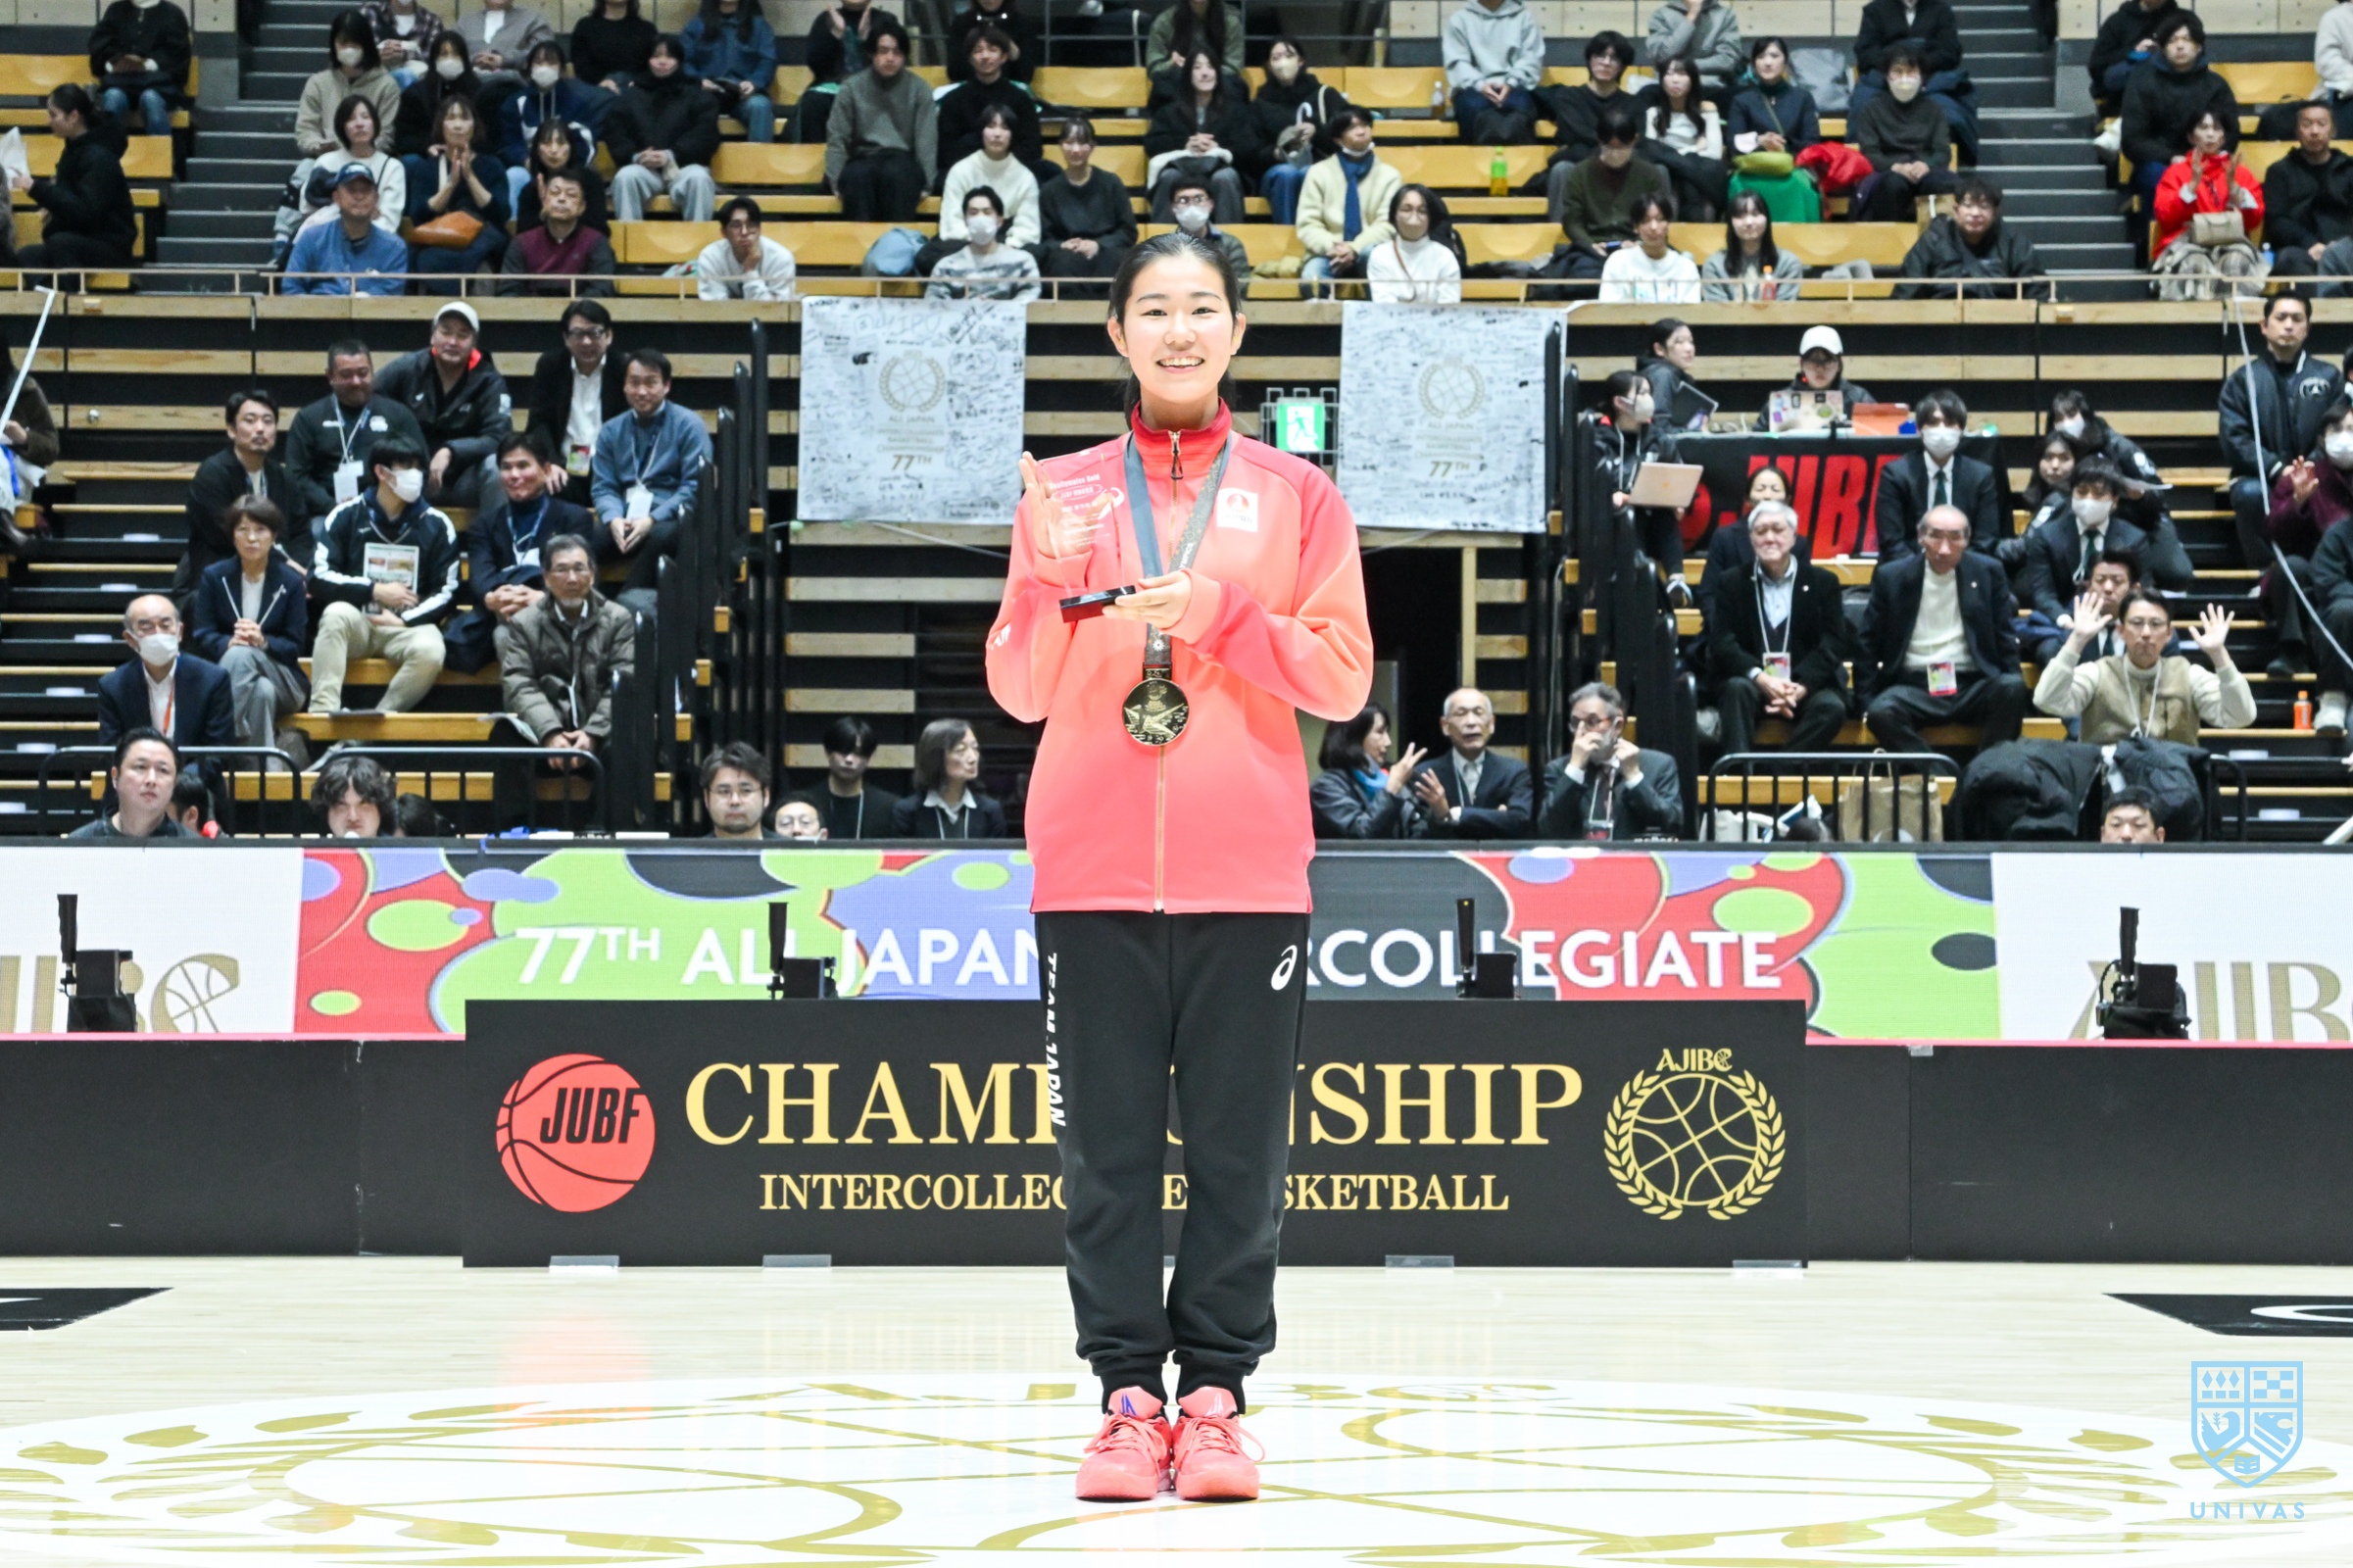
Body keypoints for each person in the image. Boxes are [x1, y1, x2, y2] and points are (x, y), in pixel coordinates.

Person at [986, 232, 1371, 1503]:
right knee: (1102, 1159)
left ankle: (1213, 1398)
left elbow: (1342, 677)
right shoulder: (1063, 493)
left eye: (1202, 307)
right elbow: (1020, 689)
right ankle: (1124, 1401)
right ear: (1117, 332)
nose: (1179, 329)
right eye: (1153, 308)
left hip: (1247, 875)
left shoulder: (1298, 496)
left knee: (1237, 1158)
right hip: (1090, 872)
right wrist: (1050, 578)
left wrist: (1214, 612)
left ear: (1236, 332)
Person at [1857, 505, 2029, 756]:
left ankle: (1984, 768)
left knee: (2012, 687)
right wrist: (1865, 700)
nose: (1944, 549)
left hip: (1971, 681)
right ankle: (1936, 770)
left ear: (1967, 540)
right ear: (1921, 537)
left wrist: (2015, 680)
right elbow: (1868, 642)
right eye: (1935, 536)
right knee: (1881, 712)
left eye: (1955, 538)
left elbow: (2004, 635)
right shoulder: (1892, 576)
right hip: (1915, 684)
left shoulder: (1988, 572)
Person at [307, 437, 460, 714]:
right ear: (381, 472)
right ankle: (322, 713)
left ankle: (378, 719)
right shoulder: (345, 516)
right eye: (407, 467)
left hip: (408, 626)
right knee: (334, 614)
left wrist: (405, 620)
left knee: (432, 650)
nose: (416, 475)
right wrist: (374, 590)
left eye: (419, 468)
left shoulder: (437, 524)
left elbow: (448, 592)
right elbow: (318, 577)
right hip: (359, 620)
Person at [1706, 501, 1850, 756]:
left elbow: (1834, 641)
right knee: (1735, 690)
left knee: (1831, 708)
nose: (1769, 538)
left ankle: (1781, 770)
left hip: (1804, 684)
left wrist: (1801, 686)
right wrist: (1761, 679)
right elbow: (1722, 641)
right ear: (1751, 539)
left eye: (1778, 530)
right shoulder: (1731, 582)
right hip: (1753, 682)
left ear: (1793, 537)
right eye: (1761, 531)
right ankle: (1741, 772)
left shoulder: (1823, 582)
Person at [445, 427, 592, 672]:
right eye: (506, 467)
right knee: (507, 633)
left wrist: (542, 599)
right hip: (502, 615)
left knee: (509, 635)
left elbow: (578, 576)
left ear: (546, 470)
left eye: (523, 466)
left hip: (558, 613)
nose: (514, 475)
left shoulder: (574, 518)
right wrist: (496, 598)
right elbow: (481, 578)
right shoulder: (484, 524)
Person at [2220, 291, 2345, 579]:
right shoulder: (2243, 380)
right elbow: (2234, 438)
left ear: (2307, 328)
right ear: (2264, 326)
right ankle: (2265, 572)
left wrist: (2309, 467)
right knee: (2249, 493)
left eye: (2297, 319)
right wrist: (2277, 469)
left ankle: (2326, 571)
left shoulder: (2329, 377)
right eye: (2281, 318)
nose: (2288, 325)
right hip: (2261, 477)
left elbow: (2338, 429)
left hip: (2317, 473)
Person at [2035, 587, 2252, 747]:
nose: (2146, 633)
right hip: (2109, 781)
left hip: (2172, 782)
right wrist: (2077, 640)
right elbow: (2047, 700)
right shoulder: (2098, 672)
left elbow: (2240, 716)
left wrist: (2219, 655)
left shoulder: (2188, 674)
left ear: (2169, 634)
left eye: (2156, 624)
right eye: (2137, 623)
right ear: (2121, 631)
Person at [187, 497, 311, 760]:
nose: (251, 538)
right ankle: (260, 773)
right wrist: (227, 642)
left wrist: (262, 641)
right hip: (241, 678)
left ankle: (217, 734)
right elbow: (202, 633)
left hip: (284, 679)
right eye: (243, 529)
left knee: (242, 655)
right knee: (261, 692)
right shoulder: (214, 576)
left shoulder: (290, 582)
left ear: (274, 536)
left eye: (260, 530)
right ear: (233, 535)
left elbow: (294, 645)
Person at [590, 348, 713, 608]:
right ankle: (579, 608)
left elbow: (694, 487)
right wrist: (613, 518)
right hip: (625, 517)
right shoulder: (611, 430)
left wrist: (653, 519)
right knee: (583, 541)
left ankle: (622, 608)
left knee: (663, 535)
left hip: (668, 518)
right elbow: (603, 486)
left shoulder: (689, 425)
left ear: (666, 386)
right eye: (634, 383)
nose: (642, 391)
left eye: (651, 383)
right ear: (624, 386)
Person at [497, 532, 633, 760]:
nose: (572, 578)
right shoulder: (525, 622)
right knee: (503, 735)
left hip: (600, 733)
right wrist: (550, 733)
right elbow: (519, 683)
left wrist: (592, 734)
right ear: (546, 578)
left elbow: (624, 680)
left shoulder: (618, 619)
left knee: (627, 740)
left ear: (592, 575)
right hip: (546, 733)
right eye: (561, 570)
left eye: (579, 569)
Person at [373, 301, 513, 509]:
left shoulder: (489, 381)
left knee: (496, 466)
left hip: (464, 479)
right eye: (446, 332)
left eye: (462, 335)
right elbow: (371, 401)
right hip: (411, 474)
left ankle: (492, 529)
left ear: (474, 342)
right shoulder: (407, 368)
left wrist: (451, 451)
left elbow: (499, 437)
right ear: (433, 336)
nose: (453, 342)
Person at [178, 389, 311, 602]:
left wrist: (299, 569)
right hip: (222, 575)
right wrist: (285, 566)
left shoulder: (282, 477)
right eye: (250, 421)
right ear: (232, 430)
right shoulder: (212, 474)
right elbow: (228, 536)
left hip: (278, 578)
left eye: (268, 421)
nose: (260, 428)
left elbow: (300, 533)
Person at [2047, 388, 2188, 583]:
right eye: (2059, 418)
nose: (2065, 423)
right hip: (2083, 516)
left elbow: (2157, 494)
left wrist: (2140, 496)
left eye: (2071, 415)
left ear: (2085, 415)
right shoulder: (2057, 449)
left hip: (2139, 515)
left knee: (2177, 574)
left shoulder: (2120, 447)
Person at [287, 341, 429, 525]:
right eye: (346, 375)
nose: (356, 382)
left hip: (387, 510)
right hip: (328, 512)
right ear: (330, 376)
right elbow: (296, 475)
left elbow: (421, 467)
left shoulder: (398, 415)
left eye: (363, 373)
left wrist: (386, 505)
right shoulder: (309, 418)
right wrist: (333, 507)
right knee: (317, 531)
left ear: (372, 371)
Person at [9, 85, 138, 281]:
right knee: (28, 255)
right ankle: (48, 297)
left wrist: (37, 189)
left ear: (73, 116)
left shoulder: (99, 157)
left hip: (109, 244)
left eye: (54, 115)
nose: (49, 120)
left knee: (60, 243)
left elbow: (86, 211)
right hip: (80, 239)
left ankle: (69, 299)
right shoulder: (73, 151)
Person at [2277, 402, 2353, 729]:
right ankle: (2330, 694)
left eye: (2352, 429)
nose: (2345, 437)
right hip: (2324, 580)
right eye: (2337, 429)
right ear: (2322, 438)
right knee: (2344, 610)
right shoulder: (2307, 474)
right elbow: (2274, 531)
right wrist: (2298, 501)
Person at [2019, 458, 2152, 634]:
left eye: (2098, 493)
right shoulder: (2046, 536)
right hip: (2061, 622)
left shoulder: (2134, 539)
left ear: (2114, 501)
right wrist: (2067, 623)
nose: (2089, 499)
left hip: (2116, 622)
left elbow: (2142, 589)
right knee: (2050, 647)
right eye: (2081, 492)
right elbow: (2043, 594)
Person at [1535, 680, 1684, 839]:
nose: (1581, 731)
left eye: (1592, 721)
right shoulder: (1560, 769)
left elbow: (1673, 824)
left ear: (1617, 726)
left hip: (1633, 854)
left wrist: (1634, 778)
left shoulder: (1658, 765)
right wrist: (1575, 770)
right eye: (1576, 723)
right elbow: (1547, 829)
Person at [271, 95, 405, 271]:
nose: (359, 124)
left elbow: (389, 222)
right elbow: (307, 207)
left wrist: (353, 223)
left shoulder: (392, 167)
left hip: (372, 249)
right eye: (351, 119)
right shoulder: (326, 161)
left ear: (375, 123)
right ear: (342, 126)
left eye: (365, 117)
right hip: (325, 247)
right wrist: (360, 214)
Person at [2119, 13, 2235, 214]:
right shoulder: (2142, 82)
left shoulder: (2216, 86)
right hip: (2159, 163)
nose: (2180, 46)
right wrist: (2172, 158)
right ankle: (2160, 233)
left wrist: (2200, 160)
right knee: (2157, 177)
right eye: (2173, 40)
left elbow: (2230, 133)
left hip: (2207, 161)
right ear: (2163, 47)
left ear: (2198, 46)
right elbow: (2133, 140)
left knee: (2233, 178)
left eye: (2187, 39)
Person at [824, 21, 935, 222]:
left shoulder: (919, 88)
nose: (890, 58)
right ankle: (860, 242)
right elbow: (837, 137)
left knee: (898, 175)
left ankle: (896, 241)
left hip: (902, 160)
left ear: (904, 56)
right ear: (871, 54)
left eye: (897, 52)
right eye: (883, 51)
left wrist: (927, 183)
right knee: (858, 177)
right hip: (863, 158)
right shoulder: (851, 88)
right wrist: (835, 180)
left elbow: (926, 139)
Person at [1872, 388, 2001, 560]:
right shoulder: (1895, 474)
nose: (1941, 430)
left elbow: (1985, 541)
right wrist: (1922, 571)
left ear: (1961, 431)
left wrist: (1954, 569)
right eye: (1933, 423)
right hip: (1908, 568)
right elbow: (1892, 542)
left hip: (1964, 568)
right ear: (1919, 430)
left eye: (1949, 423)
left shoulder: (1981, 476)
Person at [95, 595, 234, 753]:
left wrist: (178, 771)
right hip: (140, 768)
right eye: (146, 627)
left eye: (165, 625)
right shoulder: (113, 686)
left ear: (180, 632)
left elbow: (218, 751)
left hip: (195, 769)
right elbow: (113, 751)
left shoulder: (213, 680)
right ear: (130, 639)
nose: (158, 633)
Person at [1593, 367, 1688, 592]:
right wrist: (1613, 495)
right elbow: (1587, 487)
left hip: (1652, 518)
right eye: (1642, 393)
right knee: (1628, 514)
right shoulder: (1597, 440)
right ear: (1620, 402)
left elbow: (1678, 475)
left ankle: (1676, 580)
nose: (1649, 400)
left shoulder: (1660, 440)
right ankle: (1637, 570)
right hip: (1612, 524)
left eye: (1649, 393)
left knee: (1665, 514)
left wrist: (1677, 501)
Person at [607, 35, 719, 221]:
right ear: (647, 60)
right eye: (656, 56)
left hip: (684, 167)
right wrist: (636, 156)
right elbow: (616, 133)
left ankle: (699, 240)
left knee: (699, 179)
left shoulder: (698, 95)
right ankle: (629, 239)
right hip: (643, 167)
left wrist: (671, 154)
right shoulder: (629, 97)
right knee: (625, 177)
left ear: (679, 61)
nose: (662, 61)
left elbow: (705, 134)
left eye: (669, 56)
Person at [404, 92, 509, 289]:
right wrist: (450, 184)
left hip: (480, 245)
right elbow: (418, 216)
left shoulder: (492, 165)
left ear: (474, 125)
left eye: (464, 118)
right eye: (451, 118)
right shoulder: (427, 167)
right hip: (440, 242)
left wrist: (469, 176)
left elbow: (501, 215)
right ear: (441, 125)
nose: (458, 125)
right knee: (420, 257)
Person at [1551, 106, 1672, 271]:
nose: (1615, 154)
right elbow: (1572, 221)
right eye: (1609, 147)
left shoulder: (1649, 173)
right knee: (1583, 274)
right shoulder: (1579, 174)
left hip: (1638, 247)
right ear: (1599, 141)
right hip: (1593, 249)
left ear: (1634, 140)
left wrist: (1639, 242)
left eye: (1622, 147)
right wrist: (1590, 245)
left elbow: (1658, 219)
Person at [527, 298, 623, 505]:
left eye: (594, 333)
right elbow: (538, 424)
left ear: (609, 336)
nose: (586, 342)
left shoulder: (623, 369)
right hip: (564, 468)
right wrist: (550, 463)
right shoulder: (551, 366)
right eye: (578, 334)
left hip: (612, 469)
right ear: (566, 338)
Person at [1146, 51, 1256, 223]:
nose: (1205, 73)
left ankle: (1228, 238)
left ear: (1218, 74)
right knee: (1169, 176)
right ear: (1187, 75)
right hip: (1181, 169)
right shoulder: (1169, 110)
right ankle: (1162, 238)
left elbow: (1249, 148)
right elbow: (1153, 144)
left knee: (1225, 177)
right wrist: (1185, 145)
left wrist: (1218, 148)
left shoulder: (1236, 110)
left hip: (1219, 170)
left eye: (1210, 67)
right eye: (1197, 67)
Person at [1406, 687, 1533, 837]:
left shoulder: (1514, 772)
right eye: (1461, 714)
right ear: (1445, 726)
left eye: (1478, 713)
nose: (1471, 722)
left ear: (1491, 723)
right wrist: (1440, 818)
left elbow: (1520, 821)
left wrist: (1454, 815)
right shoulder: (1426, 775)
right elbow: (1416, 835)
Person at [1249, 36, 1349, 221]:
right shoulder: (1260, 104)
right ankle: (1286, 233)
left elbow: (1346, 135)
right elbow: (1250, 151)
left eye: (1289, 56)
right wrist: (1276, 153)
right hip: (1276, 172)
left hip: (1319, 165)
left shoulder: (1325, 95)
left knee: (1309, 173)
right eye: (1276, 57)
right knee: (1286, 173)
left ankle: (1314, 231)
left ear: (1300, 60)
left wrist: (1317, 133)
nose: (1283, 62)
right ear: (1269, 65)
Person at [1894, 176, 2045, 300]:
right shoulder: (1934, 239)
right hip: (1942, 320)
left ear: (1995, 212)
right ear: (1956, 210)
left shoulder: (2013, 242)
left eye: (1984, 206)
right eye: (1968, 205)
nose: (1975, 213)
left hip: (2000, 321)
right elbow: (1908, 290)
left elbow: (2037, 293)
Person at [1297, 110, 1398, 288]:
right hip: (1329, 252)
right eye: (1352, 128)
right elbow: (1308, 223)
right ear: (1338, 139)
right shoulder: (1318, 173)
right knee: (1311, 278)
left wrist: (1355, 248)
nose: (1361, 131)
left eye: (1365, 125)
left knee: (1376, 262)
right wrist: (1334, 247)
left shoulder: (1390, 175)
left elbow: (1388, 224)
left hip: (1371, 250)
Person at [1696, 464, 1813, 619]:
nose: (1767, 496)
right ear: (1747, 499)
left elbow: (1804, 595)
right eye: (1760, 489)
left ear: (1787, 499)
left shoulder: (1798, 543)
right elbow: (1708, 593)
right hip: (1730, 624)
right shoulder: (1725, 537)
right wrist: (1721, 630)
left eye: (1775, 489)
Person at [500, 44, 608, 213]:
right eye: (538, 62)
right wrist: (526, 160)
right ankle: (514, 226)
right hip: (529, 167)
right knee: (514, 175)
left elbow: (586, 143)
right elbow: (509, 142)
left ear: (562, 69)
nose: (544, 67)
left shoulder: (577, 104)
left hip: (568, 166)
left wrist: (565, 164)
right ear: (529, 68)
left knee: (589, 176)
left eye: (551, 63)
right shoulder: (515, 103)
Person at [1724, 37, 1822, 221]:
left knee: (1800, 184)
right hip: (1753, 168)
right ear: (1753, 64)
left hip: (1793, 168)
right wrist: (1760, 141)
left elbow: (1812, 142)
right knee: (1737, 183)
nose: (1767, 62)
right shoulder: (1742, 100)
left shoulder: (1802, 98)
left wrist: (1784, 145)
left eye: (1774, 56)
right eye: (1761, 57)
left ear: (1785, 62)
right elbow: (1733, 142)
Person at [1852, 44, 1954, 222]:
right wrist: (1896, 167)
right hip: (1889, 171)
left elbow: (1942, 151)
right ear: (1887, 76)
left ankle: (1937, 236)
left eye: (1911, 72)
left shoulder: (1935, 109)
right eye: (1898, 72)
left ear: (1922, 76)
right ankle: (1891, 238)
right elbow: (1870, 152)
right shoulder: (1871, 109)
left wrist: (1927, 165)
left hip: (1926, 170)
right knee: (1893, 185)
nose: (1904, 78)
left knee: (1944, 183)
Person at [282, 163, 411, 293]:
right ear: (336, 198)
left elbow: (391, 295)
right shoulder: (311, 238)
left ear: (376, 199)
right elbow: (291, 287)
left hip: (371, 307)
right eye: (351, 190)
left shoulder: (394, 247)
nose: (359, 196)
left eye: (365, 190)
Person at [939, 103, 1043, 262]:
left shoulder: (1025, 178)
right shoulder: (960, 171)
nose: (997, 134)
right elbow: (952, 224)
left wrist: (1002, 249)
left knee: (1036, 254)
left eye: (1005, 128)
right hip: (966, 244)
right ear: (981, 131)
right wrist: (979, 246)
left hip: (1008, 246)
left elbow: (1028, 230)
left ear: (1012, 134)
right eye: (991, 126)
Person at [2265, 103, 2353, 289]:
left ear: (2333, 131)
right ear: (2297, 131)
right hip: (2302, 250)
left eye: (2321, 124)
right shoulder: (2280, 171)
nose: (2314, 131)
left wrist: (2338, 248)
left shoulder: (2349, 169)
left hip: (2345, 248)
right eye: (2307, 124)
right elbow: (2277, 220)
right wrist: (2310, 244)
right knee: (2289, 259)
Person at [1041, 118, 1136, 282]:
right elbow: (1045, 238)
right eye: (1069, 142)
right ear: (1061, 145)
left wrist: (1098, 244)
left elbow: (1128, 231)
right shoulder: (1049, 190)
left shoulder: (1111, 183)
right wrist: (1063, 245)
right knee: (1059, 266)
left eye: (1082, 143)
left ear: (1092, 146)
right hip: (1067, 254)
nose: (1076, 149)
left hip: (1106, 251)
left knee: (1120, 263)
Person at [938, 26, 1044, 174]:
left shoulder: (1020, 98)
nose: (985, 56)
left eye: (992, 50)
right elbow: (946, 150)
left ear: (1004, 57)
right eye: (978, 50)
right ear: (970, 58)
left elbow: (1032, 148)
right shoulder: (953, 100)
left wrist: (1000, 165)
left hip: (1011, 173)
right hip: (967, 174)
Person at [1309, 702, 1423, 838]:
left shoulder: (1388, 777)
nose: (1388, 742)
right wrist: (1392, 789)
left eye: (1387, 732)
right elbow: (1361, 833)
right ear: (1355, 736)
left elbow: (1416, 837)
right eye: (1380, 732)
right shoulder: (1326, 787)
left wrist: (1440, 816)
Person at [794, 0, 899, 145]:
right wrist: (835, 34)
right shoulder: (826, 19)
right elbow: (817, 66)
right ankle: (817, 156)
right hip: (833, 88)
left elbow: (893, 65)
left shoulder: (886, 21)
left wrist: (867, 40)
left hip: (874, 87)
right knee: (813, 102)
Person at [496, 167, 614, 295]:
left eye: (571, 194)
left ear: (582, 207)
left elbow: (600, 289)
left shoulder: (596, 241)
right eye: (555, 192)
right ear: (544, 201)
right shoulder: (522, 242)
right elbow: (509, 291)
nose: (561, 199)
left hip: (580, 306)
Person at [297, 14, 403, 158]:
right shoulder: (317, 83)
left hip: (371, 158)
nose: (349, 48)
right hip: (326, 158)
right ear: (333, 44)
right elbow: (306, 129)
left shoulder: (386, 85)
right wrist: (320, 146)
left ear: (366, 44)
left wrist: (358, 150)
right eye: (343, 43)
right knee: (304, 169)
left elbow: (386, 134)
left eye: (355, 43)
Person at [2022, 545, 2141, 665]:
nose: (2108, 588)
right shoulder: (2072, 631)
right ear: (2088, 587)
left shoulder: (2146, 630)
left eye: (2117, 581)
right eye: (2100, 580)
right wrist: (2077, 639)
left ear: (2135, 589)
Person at [1445, 0, 1545, 141]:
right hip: (1472, 88)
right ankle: (1477, 155)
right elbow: (1458, 62)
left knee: (1521, 105)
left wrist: (1511, 83)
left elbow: (1531, 58)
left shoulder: (1524, 18)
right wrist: (1480, 85)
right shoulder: (1460, 20)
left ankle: (1519, 155)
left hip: (1514, 86)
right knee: (1474, 106)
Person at [1640, 55, 1726, 221]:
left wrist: (1677, 155)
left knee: (1707, 170)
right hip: (1670, 172)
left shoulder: (1707, 110)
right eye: (1669, 74)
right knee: (1663, 170)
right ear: (1661, 80)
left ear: (1693, 79)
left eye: (1682, 74)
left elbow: (1714, 153)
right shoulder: (1654, 113)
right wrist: (1695, 148)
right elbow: (1651, 150)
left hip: (1698, 171)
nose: (1675, 80)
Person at [89, 0, 191, 138]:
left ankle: (159, 150)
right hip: (121, 81)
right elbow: (101, 46)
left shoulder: (172, 13)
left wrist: (146, 64)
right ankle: (109, 149)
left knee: (151, 100)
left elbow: (178, 54)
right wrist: (116, 62)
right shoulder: (116, 11)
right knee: (113, 98)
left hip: (159, 86)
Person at [888, 717, 1006, 836]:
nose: (973, 758)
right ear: (936, 757)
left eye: (975, 748)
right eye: (961, 749)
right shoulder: (908, 812)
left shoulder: (990, 811)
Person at [680, 0, 778, 144]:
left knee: (760, 106)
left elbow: (768, 60)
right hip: (707, 93)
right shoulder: (695, 26)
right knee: (687, 105)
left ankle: (759, 158)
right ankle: (691, 157)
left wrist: (754, 82)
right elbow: (684, 61)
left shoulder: (759, 26)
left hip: (744, 95)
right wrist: (699, 81)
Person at [67, 729, 190, 840]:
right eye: (140, 767)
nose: (151, 780)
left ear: (174, 783)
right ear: (115, 777)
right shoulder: (79, 845)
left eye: (163, 770)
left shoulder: (193, 848)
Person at [1544, 30, 1642, 168]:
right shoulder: (1569, 97)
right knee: (1562, 167)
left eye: (1614, 58)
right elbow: (1579, 134)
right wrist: (1616, 147)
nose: (1606, 63)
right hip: (1577, 166)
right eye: (1600, 55)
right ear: (1589, 59)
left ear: (1622, 66)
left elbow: (1635, 141)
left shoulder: (1632, 103)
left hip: (1621, 168)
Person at [927, 184, 1043, 300]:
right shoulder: (946, 267)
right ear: (965, 221)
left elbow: (1030, 299)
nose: (980, 217)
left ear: (999, 221)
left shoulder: (1022, 262)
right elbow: (935, 305)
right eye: (973, 212)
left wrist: (995, 308)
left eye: (987, 212)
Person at [1753, 323, 1875, 431]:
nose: (1820, 369)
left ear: (1839, 364)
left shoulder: (1859, 400)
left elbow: (1877, 439)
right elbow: (1757, 443)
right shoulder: (1780, 404)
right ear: (1801, 364)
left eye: (1827, 361)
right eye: (1813, 361)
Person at [1364, 184, 1464, 304]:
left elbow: (1449, 306)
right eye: (1407, 209)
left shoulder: (1445, 256)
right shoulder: (1380, 255)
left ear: (1430, 218)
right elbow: (1385, 306)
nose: (1414, 216)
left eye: (1422, 211)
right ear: (1394, 215)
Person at [1851, 0, 1961, 106]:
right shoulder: (1874, 10)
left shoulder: (1941, 10)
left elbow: (1951, 52)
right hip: (1884, 79)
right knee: (1863, 103)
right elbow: (1865, 52)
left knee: (1950, 107)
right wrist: (1894, 65)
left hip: (1930, 80)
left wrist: (1920, 64)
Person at [512, 116, 610, 233]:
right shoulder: (531, 190)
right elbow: (522, 237)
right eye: (546, 143)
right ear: (537, 149)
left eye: (561, 143)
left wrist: (570, 212)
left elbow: (601, 231)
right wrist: (544, 213)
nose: (554, 150)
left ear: (571, 147)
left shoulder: (590, 181)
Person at [1701, 188, 1803, 300]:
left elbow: (1784, 308)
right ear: (1730, 222)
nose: (1748, 222)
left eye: (1755, 214)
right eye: (1740, 216)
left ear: (1767, 219)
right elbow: (1717, 309)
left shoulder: (1788, 263)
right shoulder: (1715, 265)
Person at [1599, 192, 1701, 302]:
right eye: (1645, 221)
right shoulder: (1618, 262)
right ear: (1636, 227)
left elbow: (1692, 310)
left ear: (1668, 224)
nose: (1653, 227)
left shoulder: (1686, 267)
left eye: (1660, 219)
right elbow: (1608, 307)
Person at [394, 31, 481, 156]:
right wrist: (427, 147)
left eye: (456, 54)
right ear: (434, 59)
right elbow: (404, 138)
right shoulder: (416, 94)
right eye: (444, 54)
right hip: (429, 155)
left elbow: (488, 136)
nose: (450, 60)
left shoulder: (479, 91)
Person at [696, 194, 797, 298]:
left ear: (760, 229)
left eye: (751, 225)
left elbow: (779, 306)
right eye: (736, 226)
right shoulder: (711, 257)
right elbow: (713, 305)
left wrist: (750, 271)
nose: (744, 232)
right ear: (724, 232)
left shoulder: (780, 258)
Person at [1148, 0, 1245, 108]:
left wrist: (1207, 72)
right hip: (1178, 87)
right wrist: (1171, 63)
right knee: (1163, 86)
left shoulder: (1230, 21)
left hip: (1219, 87)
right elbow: (1154, 69)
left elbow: (1233, 67)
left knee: (1234, 87)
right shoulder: (1165, 21)